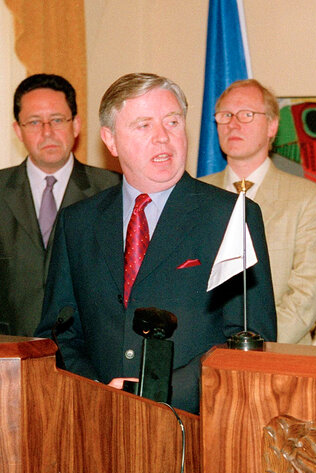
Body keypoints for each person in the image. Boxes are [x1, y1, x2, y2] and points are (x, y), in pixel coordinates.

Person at [35, 73, 276, 414]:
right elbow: (59, 334)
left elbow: (250, 341)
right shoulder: (79, 222)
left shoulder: (231, 217)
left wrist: (151, 393)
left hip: (192, 425)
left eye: (173, 122)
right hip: (95, 420)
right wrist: (98, 391)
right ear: (111, 140)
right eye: (143, 125)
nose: (163, 138)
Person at [200, 79, 316, 344]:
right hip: (201, 359)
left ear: (272, 126)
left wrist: (250, 351)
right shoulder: (194, 195)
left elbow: (304, 302)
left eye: (246, 115)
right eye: (225, 115)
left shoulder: (310, 200)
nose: (233, 124)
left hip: (277, 357)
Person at [0, 74, 119, 336]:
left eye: (56, 120)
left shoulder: (113, 190)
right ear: (17, 130)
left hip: (86, 356)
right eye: (34, 122)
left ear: (75, 125)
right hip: (8, 353)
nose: (47, 132)